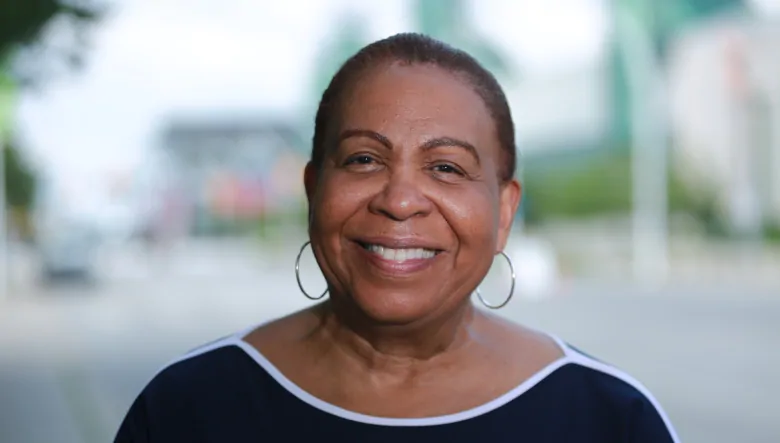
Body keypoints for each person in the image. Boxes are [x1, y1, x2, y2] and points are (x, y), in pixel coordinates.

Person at [114, 33, 679, 443]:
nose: (400, 199)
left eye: (447, 168)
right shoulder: (187, 409)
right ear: (314, 191)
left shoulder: (608, 418)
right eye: (363, 159)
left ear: (505, 211)